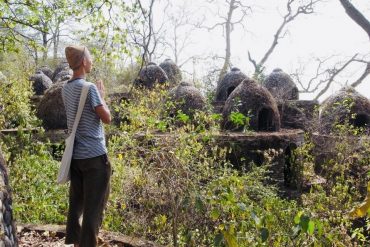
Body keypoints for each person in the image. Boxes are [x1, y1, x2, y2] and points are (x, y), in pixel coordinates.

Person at [62, 45, 112, 247]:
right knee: (93, 208)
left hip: (76, 157)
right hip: (95, 158)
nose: (92, 61)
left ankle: (77, 243)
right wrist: (101, 96)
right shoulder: (89, 88)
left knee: (77, 206)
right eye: (90, 58)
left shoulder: (66, 88)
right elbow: (107, 118)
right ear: (83, 62)